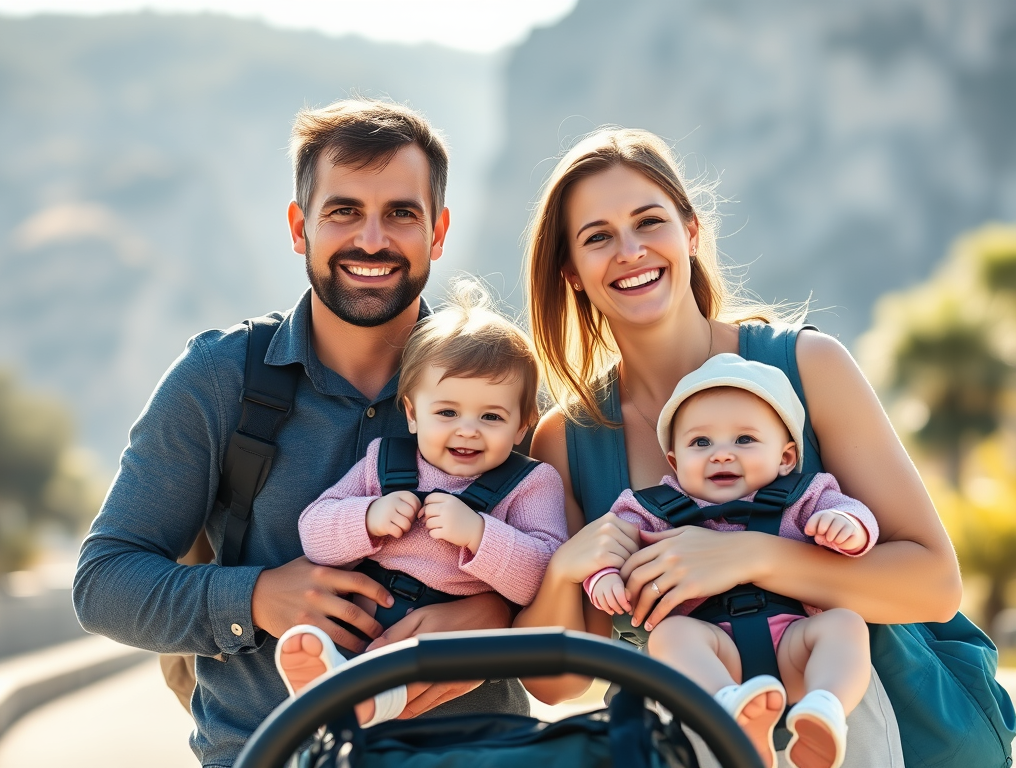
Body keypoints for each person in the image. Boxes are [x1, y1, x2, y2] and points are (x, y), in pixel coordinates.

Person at [73, 98, 531, 768]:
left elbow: (564, 567)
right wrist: (257, 596)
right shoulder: (217, 379)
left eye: (401, 213)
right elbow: (103, 583)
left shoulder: (505, 379)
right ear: (299, 227)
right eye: (344, 210)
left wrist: (501, 616)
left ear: (438, 232)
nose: (371, 239)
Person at [514, 128, 962, 767]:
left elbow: (935, 585)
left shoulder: (808, 366)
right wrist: (563, 570)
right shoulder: (565, 438)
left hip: (866, 738)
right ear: (572, 272)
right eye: (598, 237)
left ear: (690, 231)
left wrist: (746, 555)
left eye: (650, 222)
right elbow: (559, 683)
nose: (631, 251)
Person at [276, 281, 567, 725]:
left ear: (523, 424)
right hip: (364, 620)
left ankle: (365, 696)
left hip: (447, 634)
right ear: (412, 413)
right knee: (328, 646)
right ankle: (332, 683)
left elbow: (542, 577)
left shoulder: (530, 484)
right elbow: (314, 531)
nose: (467, 430)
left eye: (491, 416)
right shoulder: (384, 463)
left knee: (410, 664)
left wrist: (479, 534)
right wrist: (368, 518)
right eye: (447, 413)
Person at [587, 354, 877, 768]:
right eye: (700, 443)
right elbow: (607, 545)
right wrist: (603, 579)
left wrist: (846, 525)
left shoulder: (806, 496)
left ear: (786, 458)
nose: (721, 455)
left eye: (744, 440)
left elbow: (858, 514)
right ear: (674, 461)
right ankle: (729, 711)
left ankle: (824, 708)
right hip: (713, 650)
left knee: (844, 625)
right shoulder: (651, 509)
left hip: (796, 644)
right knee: (669, 637)